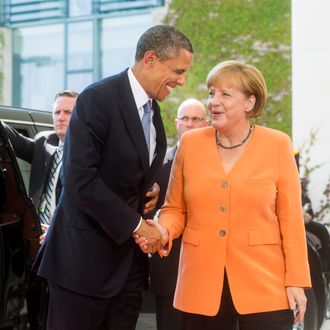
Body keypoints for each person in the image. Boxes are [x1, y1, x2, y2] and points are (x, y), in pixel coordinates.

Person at [36, 25, 193, 330]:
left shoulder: (154, 110)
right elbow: (80, 181)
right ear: (150, 59)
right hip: (81, 268)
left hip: (128, 271)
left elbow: (128, 171)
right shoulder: (97, 98)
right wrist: (137, 225)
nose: (182, 80)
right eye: (178, 70)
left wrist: (151, 188)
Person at [137, 60, 311, 330]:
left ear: (249, 103)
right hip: (200, 283)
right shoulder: (190, 144)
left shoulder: (277, 144)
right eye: (211, 93)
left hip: (265, 283)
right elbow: (175, 209)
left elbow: (291, 220)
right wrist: (162, 231)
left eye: (225, 94)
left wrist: (297, 281)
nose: (214, 101)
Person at [2, 90, 78, 329]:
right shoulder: (44, 143)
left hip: (68, 246)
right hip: (35, 243)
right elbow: (10, 138)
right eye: (57, 112)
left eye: (68, 111)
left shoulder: (90, 152)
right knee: (36, 312)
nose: (61, 117)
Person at [149, 98, 208, 330]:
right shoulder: (159, 163)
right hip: (169, 264)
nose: (190, 124)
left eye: (196, 119)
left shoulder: (220, 161)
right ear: (176, 123)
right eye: (185, 118)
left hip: (206, 266)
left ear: (206, 123)